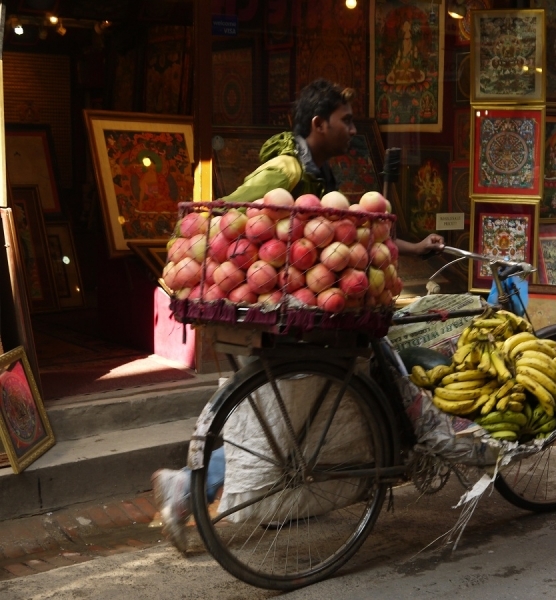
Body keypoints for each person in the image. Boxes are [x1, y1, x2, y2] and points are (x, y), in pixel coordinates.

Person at [152, 79, 444, 552]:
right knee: (287, 418)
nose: (352, 129)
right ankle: (187, 486)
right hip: (275, 311)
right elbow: (233, 219)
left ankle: (194, 487)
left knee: (291, 417)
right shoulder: (287, 168)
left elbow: (340, 242)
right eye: (346, 121)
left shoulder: (321, 178)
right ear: (318, 123)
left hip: (300, 309)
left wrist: (411, 248)